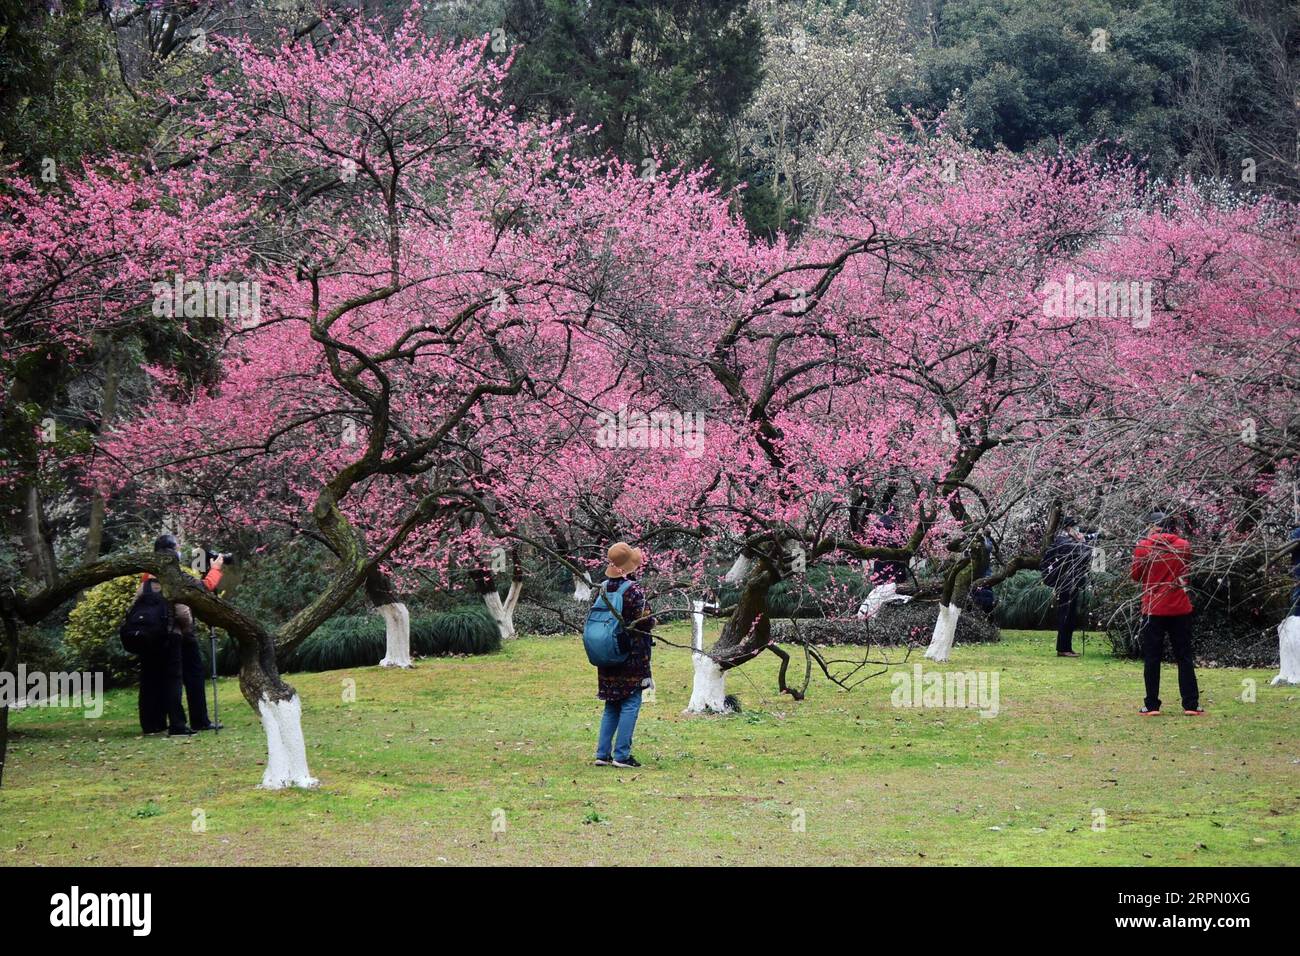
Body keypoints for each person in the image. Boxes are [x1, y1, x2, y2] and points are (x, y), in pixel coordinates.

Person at [136, 535, 223, 736]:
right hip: (176, 633)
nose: (180, 551)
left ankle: (153, 723)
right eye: (178, 548)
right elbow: (203, 588)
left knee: (152, 679)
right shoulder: (173, 575)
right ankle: (187, 722)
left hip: (151, 636)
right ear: (171, 551)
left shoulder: (146, 577)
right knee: (181, 678)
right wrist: (216, 569)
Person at [1130, 511, 1201, 716]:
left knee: (1152, 657)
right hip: (1179, 607)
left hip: (1153, 607)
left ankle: (1151, 704)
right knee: (1184, 656)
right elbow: (1186, 571)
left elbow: (1136, 576)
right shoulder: (1183, 546)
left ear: (1153, 527)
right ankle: (1191, 704)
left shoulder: (1144, 547)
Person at [593, 542, 654, 769]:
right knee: (630, 701)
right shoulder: (634, 590)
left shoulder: (603, 588)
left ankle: (602, 753)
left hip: (607, 653)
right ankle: (622, 755)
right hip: (632, 656)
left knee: (611, 703)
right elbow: (645, 621)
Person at [1041, 517, 1093, 657]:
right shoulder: (1063, 541)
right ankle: (1063, 648)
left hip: (1072, 582)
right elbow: (1080, 553)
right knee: (1065, 614)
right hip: (1065, 583)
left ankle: (1067, 647)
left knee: (1070, 615)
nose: (1078, 531)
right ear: (1069, 528)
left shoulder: (1068, 541)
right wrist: (1084, 542)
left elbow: (1085, 558)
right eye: (1075, 528)